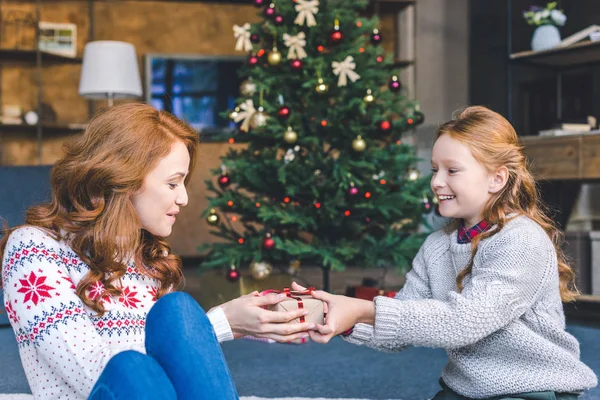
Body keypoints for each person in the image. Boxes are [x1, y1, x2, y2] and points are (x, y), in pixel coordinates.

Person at [1, 103, 315, 400]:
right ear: (124, 179)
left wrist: (261, 322)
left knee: (176, 310)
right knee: (132, 367)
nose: (184, 199)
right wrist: (219, 324)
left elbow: (177, 371)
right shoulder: (33, 248)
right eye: (173, 183)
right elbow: (92, 371)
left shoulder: (149, 258)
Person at [296, 106, 598, 399]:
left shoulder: (520, 240)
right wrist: (333, 315)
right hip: (467, 389)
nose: (437, 182)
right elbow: (401, 327)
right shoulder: (437, 247)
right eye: (435, 170)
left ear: (497, 179)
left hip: (534, 389)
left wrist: (363, 308)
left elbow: (464, 321)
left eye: (452, 170)